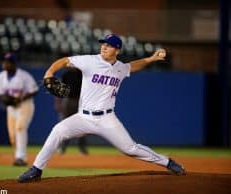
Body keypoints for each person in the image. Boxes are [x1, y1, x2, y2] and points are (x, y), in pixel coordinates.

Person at [18, 34, 186, 182]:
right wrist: (49, 72)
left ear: (117, 50)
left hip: (107, 118)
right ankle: (36, 169)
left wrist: (151, 59)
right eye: (103, 44)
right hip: (83, 117)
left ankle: (168, 162)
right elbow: (64, 61)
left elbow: (132, 66)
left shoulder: (120, 67)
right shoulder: (90, 61)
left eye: (109, 45)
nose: (104, 47)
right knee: (58, 131)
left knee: (130, 149)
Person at [0, 52, 38, 166]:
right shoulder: (0, 76)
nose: (5, 63)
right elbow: (1, 94)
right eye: (4, 61)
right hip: (11, 108)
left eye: (8, 62)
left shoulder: (24, 76)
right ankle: (18, 155)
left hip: (25, 105)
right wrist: (7, 100)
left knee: (20, 128)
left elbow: (34, 90)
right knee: (12, 137)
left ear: (14, 64)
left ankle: (21, 158)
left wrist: (22, 98)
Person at [55, 68, 88, 155]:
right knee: (65, 125)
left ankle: (82, 148)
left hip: (80, 101)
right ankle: (62, 148)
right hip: (68, 100)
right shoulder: (66, 74)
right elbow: (60, 88)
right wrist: (58, 102)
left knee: (82, 126)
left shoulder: (83, 74)